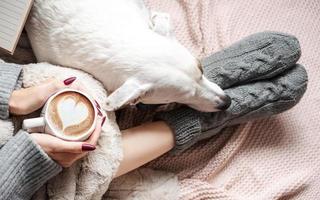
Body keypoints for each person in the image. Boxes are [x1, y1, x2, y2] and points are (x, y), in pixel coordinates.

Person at [0, 32, 308, 199]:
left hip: (22, 97)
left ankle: (194, 83)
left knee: (81, 89)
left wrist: (9, 96)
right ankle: (197, 117)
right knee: (70, 178)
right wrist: (29, 160)